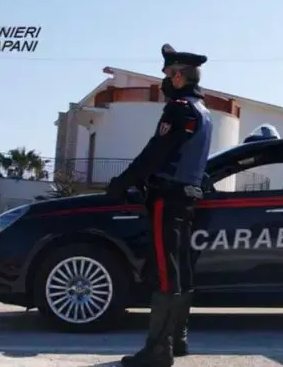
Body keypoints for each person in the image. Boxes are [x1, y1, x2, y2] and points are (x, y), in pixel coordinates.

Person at [106, 43, 212, 366]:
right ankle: (177, 338)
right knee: (180, 268)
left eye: (167, 74)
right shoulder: (203, 112)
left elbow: (157, 152)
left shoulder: (179, 108)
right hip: (188, 198)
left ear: (180, 77)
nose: (164, 80)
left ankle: (158, 350)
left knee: (166, 273)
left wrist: (122, 182)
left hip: (168, 197)